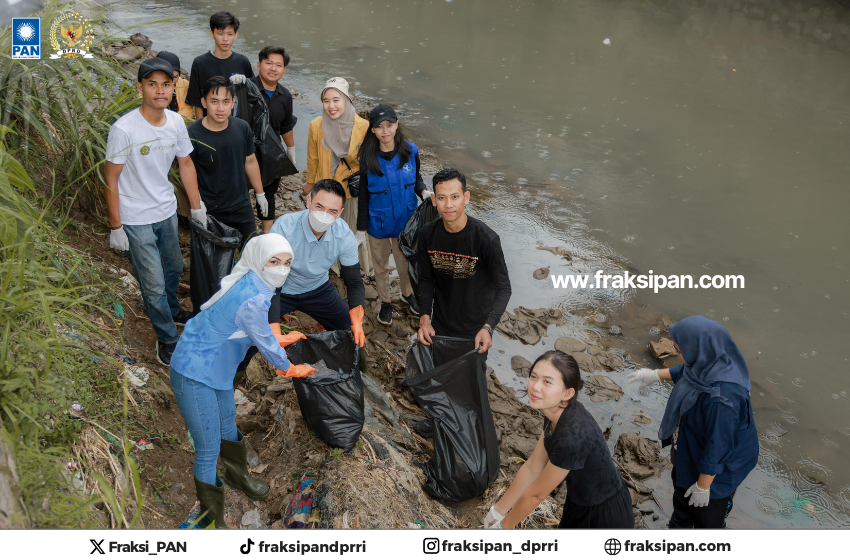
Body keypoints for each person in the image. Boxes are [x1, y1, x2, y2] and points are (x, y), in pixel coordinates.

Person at [170, 234, 314, 528]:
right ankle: (212, 519)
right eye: (274, 262)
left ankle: (237, 474)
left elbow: (256, 330)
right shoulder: (252, 297)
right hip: (194, 370)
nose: (281, 268)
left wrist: (278, 338)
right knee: (208, 448)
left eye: (287, 262)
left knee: (227, 422)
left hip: (218, 368)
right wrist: (289, 367)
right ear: (259, 260)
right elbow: (262, 337)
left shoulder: (254, 281)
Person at [104, 58, 206, 366]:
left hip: (166, 210)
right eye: (152, 84)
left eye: (165, 84)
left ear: (173, 87)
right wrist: (116, 226)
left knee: (174, 268)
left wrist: (197, 206)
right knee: (152, 282)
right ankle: (166, 338)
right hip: (135, 218)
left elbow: (185, 164)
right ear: (140, 88)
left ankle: (171, 308)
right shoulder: (124, 129)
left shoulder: (175, 121)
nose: (159, 90)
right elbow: (111, 178)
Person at [627, 316, 758, 529]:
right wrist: (655, 374)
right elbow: (686, 372)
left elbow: (719, 445)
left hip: (720, 465)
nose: (679, 355)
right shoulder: (708, 362)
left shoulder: (723, 398)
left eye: (679, 350)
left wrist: (704, 486)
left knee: (707, 518)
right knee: (682, 501)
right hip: (692, 445)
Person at [485, 351, 634, 529]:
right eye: (534, 377)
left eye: (547, 382)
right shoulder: (555, 411)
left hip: (604, 516)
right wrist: (498, 510)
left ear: (567, 393)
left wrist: (503, 527)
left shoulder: (572, 438)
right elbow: (533, 467)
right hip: (578, 501)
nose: (535, 387)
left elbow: (536, 496)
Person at [236, 179, 367, 380]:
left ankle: (360, 376)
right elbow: (271, 283)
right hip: (281, 289)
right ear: (308, 201)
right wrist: (274, 329)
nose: (324, 215)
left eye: (332, 211)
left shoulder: (344, 235)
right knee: (250, 337)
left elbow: (354, 280)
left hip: (318, 289)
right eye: (319, 206)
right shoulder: (286, 227)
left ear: (339, 213)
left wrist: (357, 316)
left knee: (351, 332)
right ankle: (235, 376)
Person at [416, 168, 511, 355]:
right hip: (440, 325)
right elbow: (426, 280)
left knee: (470, 380)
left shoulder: (486, 239)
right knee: (439, 376)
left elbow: (504, 289)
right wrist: (424, 318)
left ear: (466, 197)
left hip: (475, 329)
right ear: (434, 200)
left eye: (455, 197)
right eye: (442, 198)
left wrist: (488, 327)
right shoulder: (427, 235)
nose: (448, 204)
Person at [356, 104, 429, 325]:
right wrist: (361, 230)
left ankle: (407, 294)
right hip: (377, 224)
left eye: (389, 124)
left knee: (405, 263)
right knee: (381, 266)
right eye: (379, 127)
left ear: (396, 124)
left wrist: (424, 192)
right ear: (373, 130)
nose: (385, 130)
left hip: (405, 223)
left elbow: (416, 180)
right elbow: (364, 196)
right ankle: (385, 301)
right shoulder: (367, 158)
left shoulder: (411, 152)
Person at [302, 77, 371, 276]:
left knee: (351, 229)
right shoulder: (316, 125)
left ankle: (354, 268)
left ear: (347, 100)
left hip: (352, 191)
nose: (331, 106)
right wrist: (310, 183)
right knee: (326, 229)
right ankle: (331, 267)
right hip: (326, 190)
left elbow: (368, 163)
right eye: (326, 101)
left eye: (336, 100)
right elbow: (312, 158)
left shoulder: (363, 127)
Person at [187, 76, 266, 247]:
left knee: (250, 252)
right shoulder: (193, 134)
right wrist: (196, 206)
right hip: (211, 209)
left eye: (225, 101)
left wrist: (260, 194)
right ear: (204, 102)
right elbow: (188, 171)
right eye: (214, 101)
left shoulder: (242, 127)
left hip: (241, 206)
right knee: (215, 260)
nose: (220, 108)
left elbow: (250, 161)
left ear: (233, 103)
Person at [247, 46, 298, 233]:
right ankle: (243, 234)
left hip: (271, 152)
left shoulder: (284, 95)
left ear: (284, 70)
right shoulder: (245, 88)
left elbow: (285, 126)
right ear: (259, 64)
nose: (273, 68)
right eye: (269, 63)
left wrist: (291, 149)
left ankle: (267, 235)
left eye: (279, 65)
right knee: (242, 193)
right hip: (246, 150)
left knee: (269, 194)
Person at [186, 12, 254, 120]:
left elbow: (252, 95)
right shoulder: (200, 63)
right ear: (212, 34)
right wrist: (200, 129)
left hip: (237, 123)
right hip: (209, 124)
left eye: (230, 34)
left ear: (236, 35)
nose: (225, 39)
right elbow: (196, 101)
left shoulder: (242, 61)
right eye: (220, 33)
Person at [155, 50, 195, 123]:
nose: (172, 81)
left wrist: (170, 122)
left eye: (175, 77)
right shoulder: (149, 87)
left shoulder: (185, 85)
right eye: (167, 77)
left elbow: (188, 110)